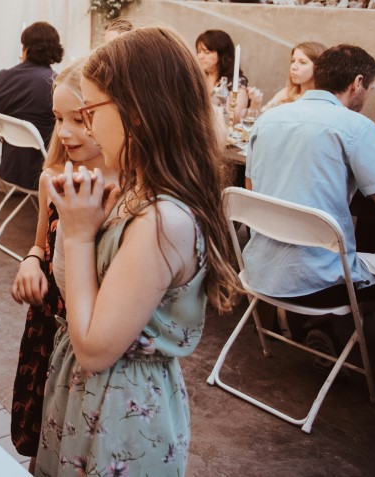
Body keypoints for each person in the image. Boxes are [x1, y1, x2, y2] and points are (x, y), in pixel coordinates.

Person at [35, 26, 238, 477]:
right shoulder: (136, 193)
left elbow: (94, 349)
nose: (85, 127)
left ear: (138, 112)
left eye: (90, 111)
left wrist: (79, 235)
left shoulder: (163, 223)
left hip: (119, 416)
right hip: (91, 399)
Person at [9, 60, 117, 471]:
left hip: (95, 332)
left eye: (81, 119)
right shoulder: (52, 177)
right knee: (46, 437)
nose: (67, 132)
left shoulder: (124, 188)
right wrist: (31, 263)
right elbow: (41, 244)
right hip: (50, 327)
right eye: (59, 119)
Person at [243, 44, 375, 303]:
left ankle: (314, 329)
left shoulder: (267, 119)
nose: (367, 96)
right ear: (357, 83)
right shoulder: (356, 127)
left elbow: (253, 192)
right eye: (369, 88)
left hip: (259, 273)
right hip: (321, 283)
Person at [0, 22, 65, 191]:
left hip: (10, 164)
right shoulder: (55, 83)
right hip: (44, 169)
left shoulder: (4, 76)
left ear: (25, 49)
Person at [196, 28, 250, 124]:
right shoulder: (197, 78)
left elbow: (236, 118)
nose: (200, 57)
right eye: (199, 52)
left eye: (206, 52)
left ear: (222, 54)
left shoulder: (236, 83)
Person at [259, 41, 327, 112]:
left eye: (302, 62)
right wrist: (256, 103)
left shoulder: (322, 101)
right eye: (293, 61)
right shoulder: (286, 93)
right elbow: (262, 116)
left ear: (318, 67)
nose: (293, 67)